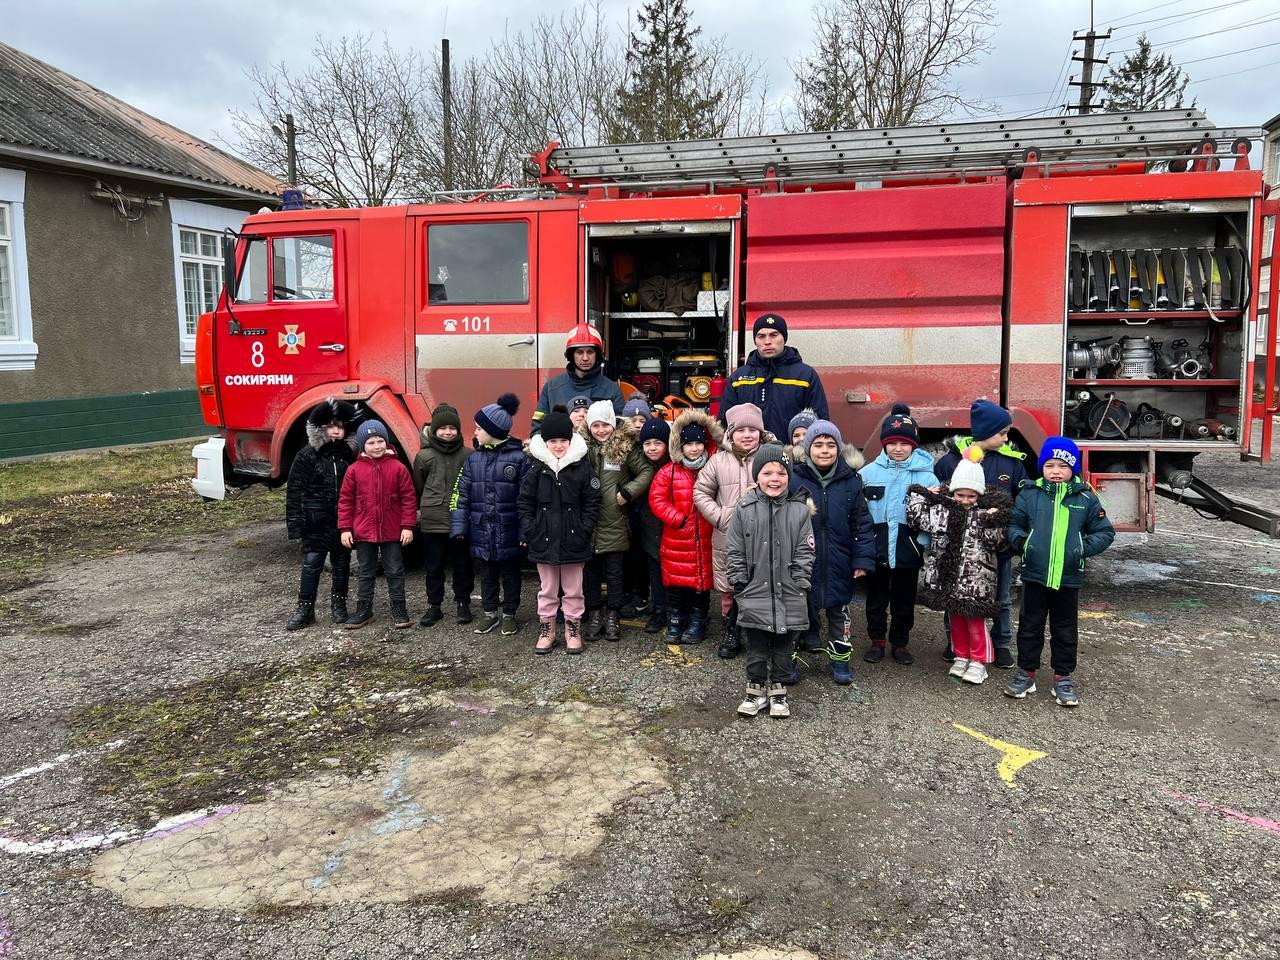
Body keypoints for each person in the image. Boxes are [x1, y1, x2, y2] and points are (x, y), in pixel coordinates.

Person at [1005, 437, 1115, 707]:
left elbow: (1105, 532)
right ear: (1041, 467)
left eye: (1063, 466)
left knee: (1065, 629)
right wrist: (1025, 544)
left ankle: (1062, 677)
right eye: (1050, 465)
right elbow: (1014, 525)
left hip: (1068, 577)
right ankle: (1026, 673)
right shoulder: (1029, 494)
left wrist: (1081, 548)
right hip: (1035, 574)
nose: (1056, 471)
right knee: (1029, 626)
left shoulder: (1085, 498)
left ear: (1073, 468)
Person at [933, 399, 1029, 668]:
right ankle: (954, 642)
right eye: (1002, 433)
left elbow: (1020, 501)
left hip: (998, 546)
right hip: (960, 545)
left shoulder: (1012, 463)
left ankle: (1001, 643)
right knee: (954, 594)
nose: (1006, 438)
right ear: (986, 431)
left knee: (1001, 596)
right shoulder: (952, 461)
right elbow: (942, 495)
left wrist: (1009, 532)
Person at [907, 446, 1013, 685]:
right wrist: (921, 495)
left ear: (980, 495)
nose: (965, 500)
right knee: (955, 620)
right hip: (950, 578)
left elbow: (999, 542)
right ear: (953, 492)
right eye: (960, 495)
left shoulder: (987, 513)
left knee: (975, 622)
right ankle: (961, 656)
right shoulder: (942, 510)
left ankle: (979, 661)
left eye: (971, 496)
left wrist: (996, 519)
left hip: (978, 581)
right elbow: (918, 519)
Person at [726, 444, 816, 720]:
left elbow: (806, 549)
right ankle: (754, 690)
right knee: (756, 646)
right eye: (767, 473)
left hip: (789, 591)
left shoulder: (799, 511)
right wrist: (739, 578)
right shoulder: (744, 508)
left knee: (783, 647)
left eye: (781, 473)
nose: (774, 479)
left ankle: (778, 691)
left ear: (789, 476)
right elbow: (735, 547)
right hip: (754, 590)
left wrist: (801, 579)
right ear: (757, 476)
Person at [789, 420, 875, 685]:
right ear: (808, 449)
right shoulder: (795, 478)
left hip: (839, 559)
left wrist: (861, 559)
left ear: (838, 448)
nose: (824, 450)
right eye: (818, 445)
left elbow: (861, 522)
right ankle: (788, 660)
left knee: (839, 612)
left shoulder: (851, 481)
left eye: (830, 445)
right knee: (798, 611)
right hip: (804, 560)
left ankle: (840, 659)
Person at [858, 404, 938, 665]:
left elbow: (935, 516)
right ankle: (877, 641)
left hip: (908, 550)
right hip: (877, 549)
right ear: (884, 444)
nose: (898, 448)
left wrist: (920, 543)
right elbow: (858, 513)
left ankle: (900, 643)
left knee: (904, 601)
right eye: (892, 443)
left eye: (905, 443)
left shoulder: (927, 478)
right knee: (876, 599)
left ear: (913, 445)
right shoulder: (867, 474)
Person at [519, 406, 600, 655]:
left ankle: (572, 630)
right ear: (545, 442)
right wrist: (531, 530)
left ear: (570, 440)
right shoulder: (536, 469)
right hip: (543, 540)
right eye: (553, 441)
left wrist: (584, 529)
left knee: (574, 590)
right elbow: (524, 503)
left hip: (574, 540)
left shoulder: (581, 468)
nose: (558, 446)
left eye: (563, 440)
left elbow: (592, 501)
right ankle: (547, 630)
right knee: (547, 590)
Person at [694, 402, 770, 657]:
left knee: (760, 584)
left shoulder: (770, 457)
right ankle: (731, 628)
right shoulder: (718, 461)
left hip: (763, 535)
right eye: (740, 430)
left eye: (752, 429)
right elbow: (701, 492)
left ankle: (757, 631)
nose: (747, 435)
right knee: (729, 586)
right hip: (728, 536)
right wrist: (722, 517)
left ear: (760, 432)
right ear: (730, 433)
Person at [451, 393, 530, 636]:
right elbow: (461, 495)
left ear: (493, 431)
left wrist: (524, 531)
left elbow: (526, 499)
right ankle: (489, 613)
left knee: (511, 574)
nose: (474, 432)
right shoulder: (473, 459)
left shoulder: (519, 459)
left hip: (508, 530)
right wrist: (459, 527)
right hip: (482, 529)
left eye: (478, 428)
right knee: (487, 574)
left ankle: (509, 614)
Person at [582, 400, 656, 641]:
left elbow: (646, 471)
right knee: (591, 573)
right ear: (589, 427)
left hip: (615, 522)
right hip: (588, 521)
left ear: (613, 425)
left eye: (606, 425)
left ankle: (613, 614)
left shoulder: (624, 448)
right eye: (596, 425)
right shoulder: (580, 447)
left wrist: (628, 492)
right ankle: (594, 614)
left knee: (615, 573)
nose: (601, 430)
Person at [649, 410, 721, 644]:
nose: (694, 448)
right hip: (677, 539)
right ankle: (676, 619)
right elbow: (657, 499)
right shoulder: (669, 471)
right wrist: (678, 518)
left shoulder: (713, 468)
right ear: (681, 446)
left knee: (701, 584)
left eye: (699, 443)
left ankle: (698, 620)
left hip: (705, 539)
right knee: (676, 586)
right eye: (689, 444)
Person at [337, 420, 416, 630]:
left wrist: (407, 526)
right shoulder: (354, 470)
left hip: (392, 530)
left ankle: (399, 608)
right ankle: (364, 610)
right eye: (371, 442)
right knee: (366, 571)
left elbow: (409, 499)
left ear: (387, 442)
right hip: (364, 530)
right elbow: (345, 501)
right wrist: (345, 529)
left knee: (395, 570)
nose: (377, 446)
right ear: (363, 445)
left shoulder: (398, 468)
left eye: (380, 441)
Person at [285, 399, 357, 630]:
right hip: (315, 522)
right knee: (311, 564)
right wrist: (296, 525)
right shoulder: (307, 455)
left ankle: (339, 604)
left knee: (342, 563)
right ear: (321, 429)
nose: (335, 431)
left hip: (342, 522)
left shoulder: (349, 456)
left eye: (340, 427)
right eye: (331, 426)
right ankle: (305, 608)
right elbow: (295, 490)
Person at [719, 313, 829, 442]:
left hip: (791, 452)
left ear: (784, 338)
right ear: (755, 341)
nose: (767, 341)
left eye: (774, 335)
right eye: (761, 336)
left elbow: (820, 424)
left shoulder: (805, 376)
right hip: (749, 453)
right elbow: (725, 423)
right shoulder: (739, 378)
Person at [412, 403, 474, 627]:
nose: (448, 432)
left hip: (460, 520)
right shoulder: (423, 456)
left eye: (452, 428)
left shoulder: (468, 455)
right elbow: (419, 486)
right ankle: (434, 606)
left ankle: (463, 602)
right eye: (443, 428)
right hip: (433, 520)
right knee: (434, 566)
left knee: (463, 564)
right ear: (434, 430)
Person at [531, 323, 625, 435]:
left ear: (597, 355)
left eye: (590, 352)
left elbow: (621, 432)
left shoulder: (611, 390)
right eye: (580, 352)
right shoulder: (551, 388)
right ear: (571, 355)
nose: (585, 358)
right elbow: (537, 429)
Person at [634, 416, 672, 634]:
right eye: (647, 443)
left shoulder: (673, 466)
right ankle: (658, 609)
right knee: (654, 570)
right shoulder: (641, 467)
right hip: (648, 527)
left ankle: (672, 609)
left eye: (658, 443)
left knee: (671, 570)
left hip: (669, 526)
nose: (652, 448)